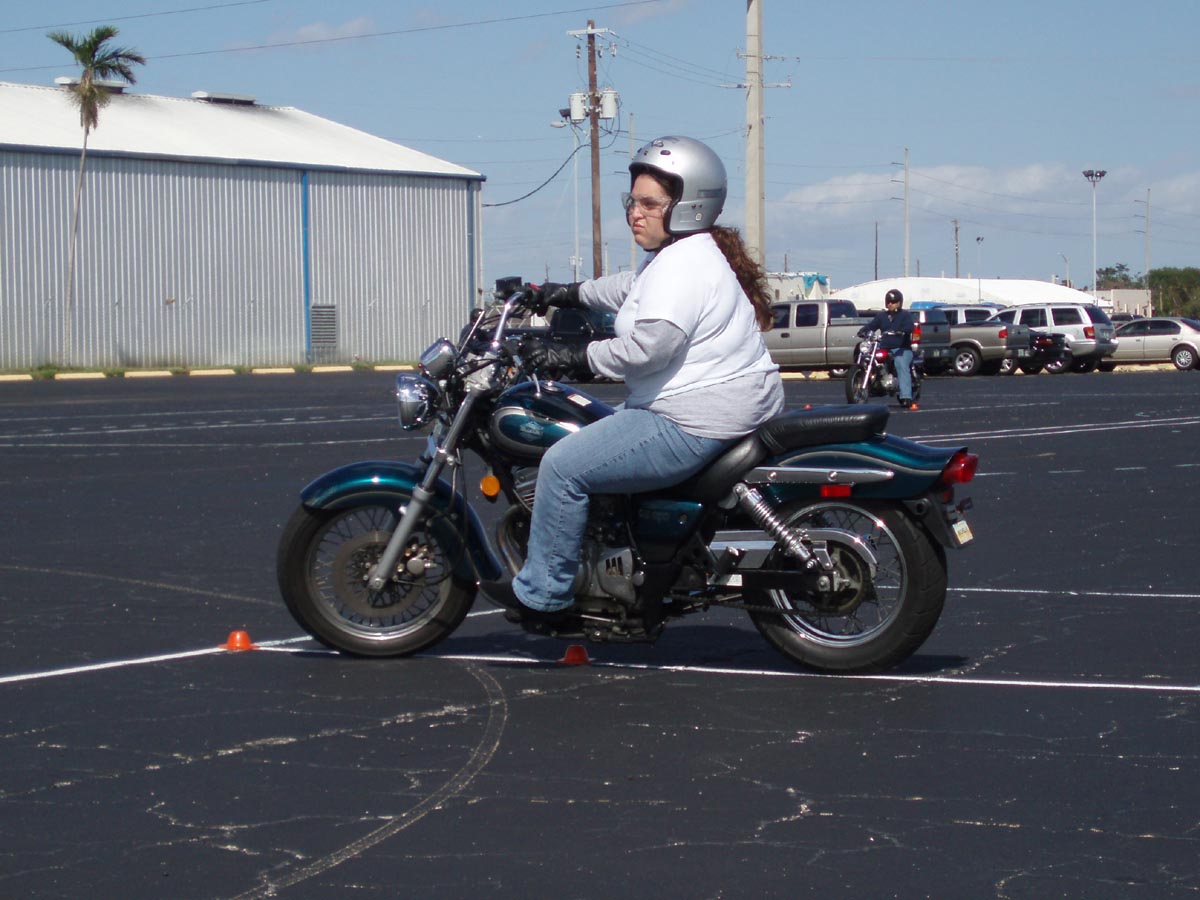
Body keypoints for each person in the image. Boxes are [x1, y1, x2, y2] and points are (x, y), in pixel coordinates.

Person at [483, 135, 785, 619]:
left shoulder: (684, 265)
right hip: (715, 404)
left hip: (694, 416)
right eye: (632, 201)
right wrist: (563, 293)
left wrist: (572, 357)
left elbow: (650, 348)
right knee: (594, 431)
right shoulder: (681, 255)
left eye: (649, 204)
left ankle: (544, 596)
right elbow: (632, 288)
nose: (634, 214)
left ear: (687, 205)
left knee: (562, 467)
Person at [858, 288, 917, 408]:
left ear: (899, 303)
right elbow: (872, 325)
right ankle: (873, 386)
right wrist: (863, 331)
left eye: (893, 302)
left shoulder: (905, 315)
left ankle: (906, 396)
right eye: (888, 301)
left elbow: (909, 327)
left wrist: (903, 331)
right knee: (870, 358)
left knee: (900, 362)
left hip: (902, 349)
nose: (890, 304)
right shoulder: (882, 316)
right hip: (884, 347)